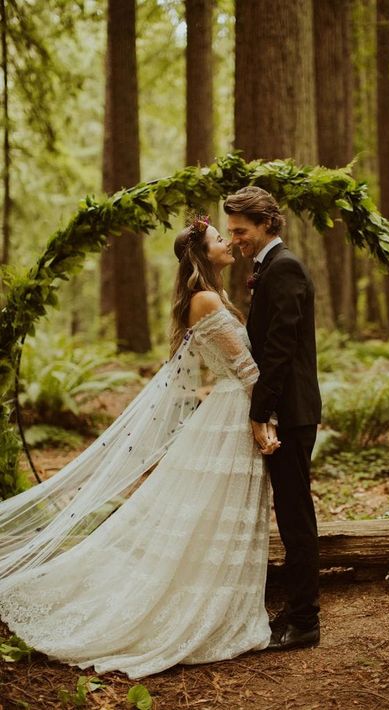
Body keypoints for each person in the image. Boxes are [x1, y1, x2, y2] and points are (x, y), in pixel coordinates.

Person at [0, 217, 280, 679]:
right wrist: (263, 423)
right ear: (201, 255)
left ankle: (216, 598)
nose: (228, 243)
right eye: (218, 239)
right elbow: (246, 371)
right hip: (236, 415)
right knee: (213, 510)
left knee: (212, 514)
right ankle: (199, 610)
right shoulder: (207, 299)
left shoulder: (211, 296)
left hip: (228, 410)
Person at [224, 187, 322, 650]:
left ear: (265, 224)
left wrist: (260, 411)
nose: (235, 239)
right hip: (284, 409)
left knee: (296, 513)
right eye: (231, 232)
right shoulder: (269, 268)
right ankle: (297, 610)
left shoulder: (284, 269)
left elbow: (280, 349)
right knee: (289, 509)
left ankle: (305, 620)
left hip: (291, 412)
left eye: (241, 231)